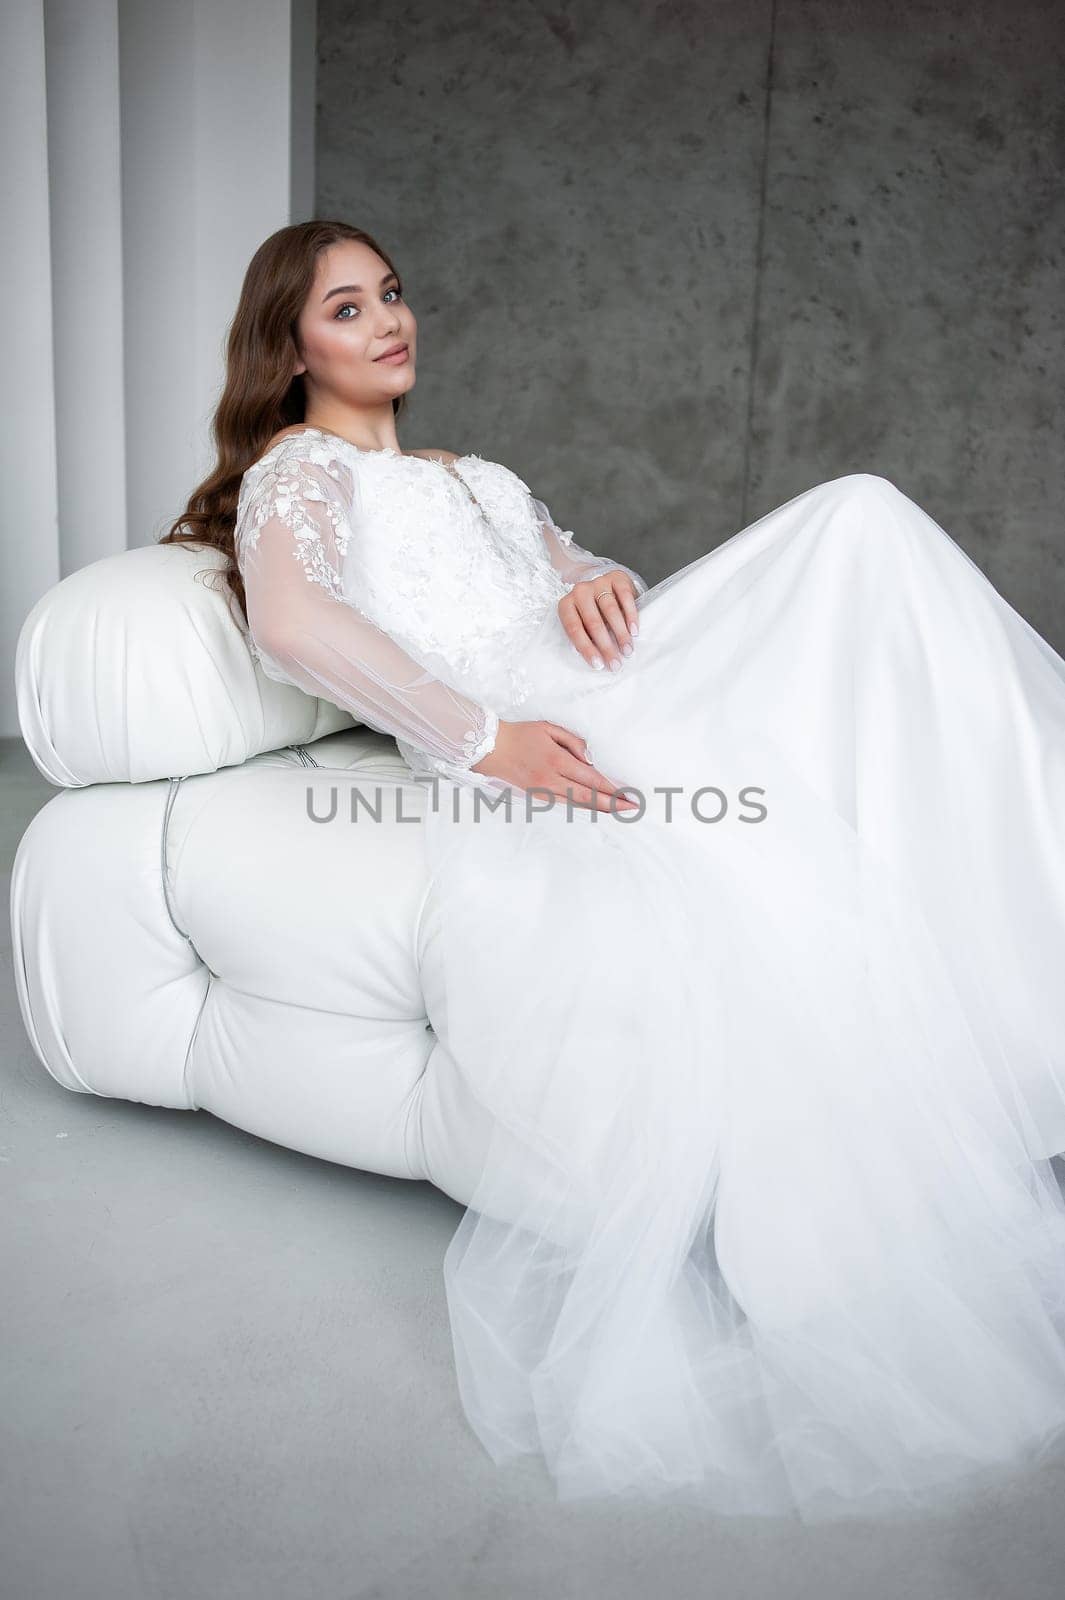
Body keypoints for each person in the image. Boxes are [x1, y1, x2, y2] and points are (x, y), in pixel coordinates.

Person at [164, 220, 1065, 1524]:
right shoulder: (298, 475)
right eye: (347, 310)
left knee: (866, 553)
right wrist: (484, 741)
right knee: (856, 530)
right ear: (288, 350)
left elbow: (563, 578)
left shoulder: (478, 473)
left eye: (393, 295)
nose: (389, 323)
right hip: (537, 742)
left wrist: (596, 579)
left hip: (612, 678)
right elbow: (297, 621)